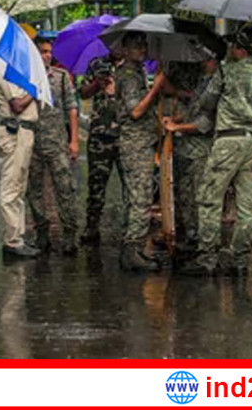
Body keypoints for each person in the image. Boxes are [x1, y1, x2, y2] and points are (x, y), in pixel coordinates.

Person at [182, 28, 252, 277]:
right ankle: (239, 258)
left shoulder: (226, 71)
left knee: (210, 198)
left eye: (233, 46)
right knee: (247, 206)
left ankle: (208, 257)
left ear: (241, 49)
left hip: (228, 140)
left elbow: (206, 103)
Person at [115, 34, 165, 271]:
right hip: (135, 144)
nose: (142, 50)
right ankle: (132, 249)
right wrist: (156, 88)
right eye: (136, 46)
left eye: (144, 45)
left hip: (142, 141)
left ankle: (134, 248)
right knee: (140, 197)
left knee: (138, 196)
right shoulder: (128, 75)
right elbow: (135, 111)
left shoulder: (136, 73)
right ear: (125, 49)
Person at [26, 38, 81, 256]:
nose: (46, 56)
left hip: (57, 142)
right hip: (32, 143)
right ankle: (42, 233)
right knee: (34, 191)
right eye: (42, 52)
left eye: (49, 52)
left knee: (65, 189)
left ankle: (70, 234)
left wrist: (74, 140)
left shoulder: (60, 77)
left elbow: (72, 109)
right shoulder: (25, 79)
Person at [162, 56, 220, 260]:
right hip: (185, 147)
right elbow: (193, 112)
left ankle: (203, 244)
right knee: (184, 194)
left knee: (200, 196)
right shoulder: (202, 82)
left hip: (200, 149)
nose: (203, 60)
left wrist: (177, 126)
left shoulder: (215, 85)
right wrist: (175, 120)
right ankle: (189, 237)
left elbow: (205, 122)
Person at [0, 68, 40, 259]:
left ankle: (17, 236)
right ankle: (12, 240)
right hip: (15, 131)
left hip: (24, 132)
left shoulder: (17, 73)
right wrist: (35, 90)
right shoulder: (5, 72)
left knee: (19, 186)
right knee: (11, 186)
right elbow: (17, 105)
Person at [78, 55, 123, 244]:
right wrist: (98, 83)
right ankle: (92, 226)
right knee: (96, 184)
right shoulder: (96, 64)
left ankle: (130, 230)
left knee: (131, 185)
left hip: (125, 134)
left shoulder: (135, 68)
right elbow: (83, 93)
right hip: (100, 134)